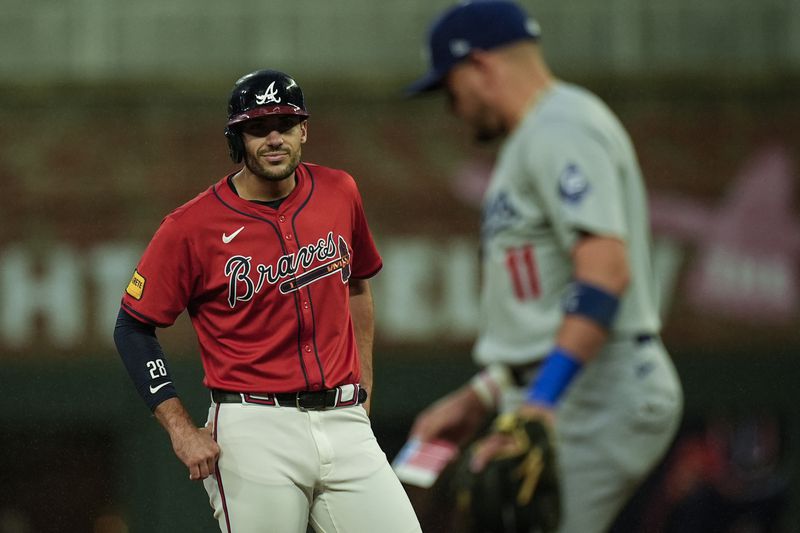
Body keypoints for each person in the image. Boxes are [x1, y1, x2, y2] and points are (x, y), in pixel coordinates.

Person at [405, 1, 684, 532]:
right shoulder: (534, 137)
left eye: (450, 87)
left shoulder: (563, 126)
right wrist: (481, 395)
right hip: (564, 390)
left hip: (599, 391)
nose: (452, 106)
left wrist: (541, 400)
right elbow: (545, 305)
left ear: (481, 65)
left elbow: (604, 274)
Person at [113, 69, 422, 533]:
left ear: (304, 131)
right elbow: (132, 327)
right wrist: (180, 429)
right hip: (254, 426)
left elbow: (357, 284)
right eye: (258, 127)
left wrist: (365, 390)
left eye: (285, 124)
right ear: (236, 138)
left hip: (345, 420)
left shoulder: (340, 191)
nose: (274, 138)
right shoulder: (190, 227)